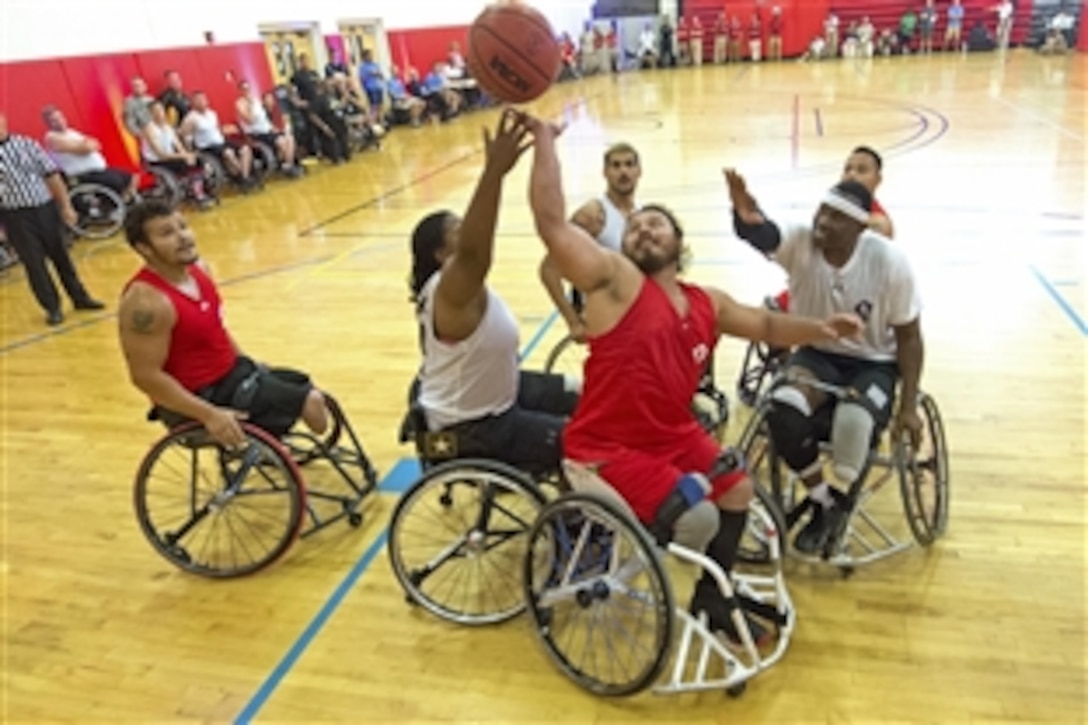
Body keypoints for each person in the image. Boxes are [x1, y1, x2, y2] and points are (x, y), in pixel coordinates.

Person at [521, 111, 862, 642]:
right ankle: (618, 557)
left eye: (655, 223)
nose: (642, 227)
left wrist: (821, 328)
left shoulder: (707, 301)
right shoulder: (616, 283)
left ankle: (713, 601)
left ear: (679, 241)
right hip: (606, 447)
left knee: (738, 487)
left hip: (670, 436)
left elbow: (768, 323)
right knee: (698, 518)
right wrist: (544, 142)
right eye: (635, 227)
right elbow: (550, 223)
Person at [726, 170, 924, 555]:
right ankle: (823, 499)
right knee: (780, 409)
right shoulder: (802, 241)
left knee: (853, 423)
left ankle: (840, 492)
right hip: (816, 353)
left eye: (835, 218)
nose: (822, 222)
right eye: (822, 212)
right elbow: (766, 235)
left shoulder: (890, 262)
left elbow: (910, 338)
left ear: (858, 228)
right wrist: (747, 220)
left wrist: (909, 404)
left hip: (874, 362)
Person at [409, 110, 578, 473]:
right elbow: (473, 253)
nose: (468, 228)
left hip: (500, 396)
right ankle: (579, 523)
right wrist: (494, 172)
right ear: (441, 254)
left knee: (587, 391)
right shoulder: (451, 291)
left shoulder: (459, 290)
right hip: (470, 430)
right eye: (458, 227)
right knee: (585, 440)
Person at [117, 200, 327, 448]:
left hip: (230, 377)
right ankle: (267, 441)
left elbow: (215, 328)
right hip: (199, 398)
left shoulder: (200, 269)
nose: (182, 237)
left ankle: (268, 442)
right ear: (144, 248)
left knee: (301, 383)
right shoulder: (146, 304)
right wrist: (209, 414)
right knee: (311, 401)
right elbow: (145, 376)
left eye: (183, 226)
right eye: (167, 233)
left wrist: (247, 362)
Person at [0, 112, 104, 326]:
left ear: (4, 120)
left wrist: (66, 206)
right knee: (34, 263)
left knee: (61, 255)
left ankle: (80, 297)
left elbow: (51, 175)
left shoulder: (26, 144)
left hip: (44, 207)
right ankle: (52, 307)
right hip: (14, 214)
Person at [538, 142, 640, 342]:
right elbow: (548, 270)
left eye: (629, 165)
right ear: (605, 172)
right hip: (605, 319)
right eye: (616, 166)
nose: (624, 172)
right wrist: (573, 321)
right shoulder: (591, 216)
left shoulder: (640, 214)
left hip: (635, 314)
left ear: (639, 171)